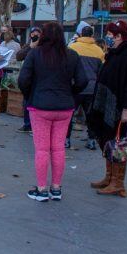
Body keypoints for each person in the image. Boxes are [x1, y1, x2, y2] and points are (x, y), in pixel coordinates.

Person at [19, 22, 87, 201]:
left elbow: (23, 79)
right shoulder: (72, 55)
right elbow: (83, 80)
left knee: (42, 149)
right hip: (64, 107)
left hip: (40, 106)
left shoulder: (35, 54)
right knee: (58, 149)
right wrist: (70, 93)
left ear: (43, 35)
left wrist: (30, 95)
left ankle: (41, 189)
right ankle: (56, 188)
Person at [88, 20, 127, 198]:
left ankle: (117, 183)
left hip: (119, 107)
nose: (108, 38)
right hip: (107, 105)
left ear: (120, 36)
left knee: (118, 142)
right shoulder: (114, 53)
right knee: (107, 140)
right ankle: (109, 177)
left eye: (111, 35)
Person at [68, 25, 105, 150]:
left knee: (69, 114)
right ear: (92, 35)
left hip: (75, 87)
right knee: (91, 116)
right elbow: (101, 72)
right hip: (91, 88)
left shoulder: (72, 47)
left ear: (80, 35)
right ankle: (91, 140)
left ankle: (66, 139)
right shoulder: (99, 51)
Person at [16, 26, 41, 133]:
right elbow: (19, 56)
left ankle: (36, 126)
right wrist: (30, 47)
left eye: (37, 34)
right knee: (26, 102)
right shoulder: (28, 45)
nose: (35, 36)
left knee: (37, 103)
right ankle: (27, 124)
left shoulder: (43, 46)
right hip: (28, 78)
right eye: (33, 34)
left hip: (39, 78)